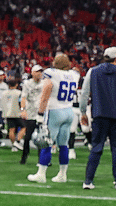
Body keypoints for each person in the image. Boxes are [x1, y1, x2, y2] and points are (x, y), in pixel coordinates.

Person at [79, 46, 116, 190]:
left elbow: (84, 94)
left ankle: (88, 181)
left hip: (99, 115)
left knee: (96, 148)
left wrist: (83, 112)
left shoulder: (93, 71)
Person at [26, 54, 81, 184]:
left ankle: (41, 174)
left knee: (46, 143)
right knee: (64, 145)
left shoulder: (51, 73)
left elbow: (46, 91)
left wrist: (40, 113)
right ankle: (62, 174)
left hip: (54, 111)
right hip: (69, 110)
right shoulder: (74, 74)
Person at [18, 65, 43, 165]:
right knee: (28, 136)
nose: (39, 74)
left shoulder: (44, 83)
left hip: (41, 113)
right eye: (37, 72)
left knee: (43, 137)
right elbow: (23, 97)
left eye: (40, 72)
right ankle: (24, 156)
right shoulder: (27, 84)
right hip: (31, 113)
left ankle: (42, 159)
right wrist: (23, 110)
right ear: (32, 73)